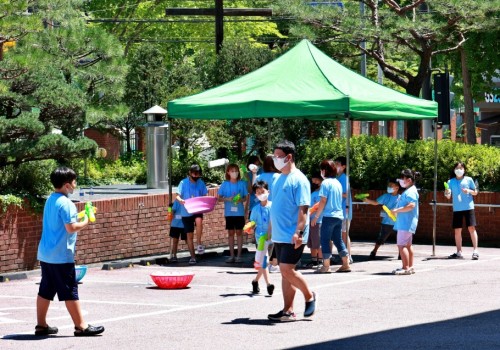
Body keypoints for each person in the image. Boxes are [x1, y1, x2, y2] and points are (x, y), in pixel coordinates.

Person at [36, 167, 104, 337]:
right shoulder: (67, 203)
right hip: (61, 256)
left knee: (46, 290)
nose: (75, 184)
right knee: (70, 291)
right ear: (67, 185)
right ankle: (81, 326)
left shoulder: (51, 200)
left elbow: (60, 222)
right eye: (74, 181)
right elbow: (71, 227)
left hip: (46, 254)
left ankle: (41, 325)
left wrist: (80, 214)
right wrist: (87, 220)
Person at [267, 140, 316, 322]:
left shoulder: (300, 180)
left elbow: (303, 209)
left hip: (292, 234)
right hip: (280, 234)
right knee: (285, 272)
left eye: (278, 156)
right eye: (274, 156)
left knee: (287, 270)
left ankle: (310, 295)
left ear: (289, 157)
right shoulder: (278, 178)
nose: (275, 160)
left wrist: (299, 232)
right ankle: (288, 311)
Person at [311, 160, 350, 273]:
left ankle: (326, 266)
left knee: (324, 240)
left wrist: (316, 216)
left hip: (328, 216)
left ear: (324, 171)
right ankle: (346, 263)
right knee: (338, 240)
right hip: (339, 215)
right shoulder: (337, 182)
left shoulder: (325, 183)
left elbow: (323, 201)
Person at [445, 162, 479, 260]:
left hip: (469, 207)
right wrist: (447, 193)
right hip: (457, 208)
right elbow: (448, 196)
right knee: (457, 230)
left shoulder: (469, 180)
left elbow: (475, 192)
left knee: (471, 228)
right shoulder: (450, 182)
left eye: (461, 168)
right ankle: (459, 251)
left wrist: (468, 191)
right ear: (454, 170)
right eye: (457, 168)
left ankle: (475, 251)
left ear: (464, 170)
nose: (459, 170)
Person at [176, 164, 208, 264]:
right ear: (190, 173)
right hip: (186, 210)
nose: (196, 176)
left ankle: (199, 242)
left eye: (198, 174)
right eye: (194, 174)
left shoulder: (201, 182)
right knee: (189, 235)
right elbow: (177, 195)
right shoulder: (183, 182)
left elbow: (205, 194)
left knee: (199, 220)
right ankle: (193, 256)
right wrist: (180, 200)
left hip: (197, 209)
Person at [390, 169, 421, 275]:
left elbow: (411, 205)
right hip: (407, 222)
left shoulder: (411, 191)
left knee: (401, 245)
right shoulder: (410, 190)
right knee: (408, 245)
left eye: (402, 179)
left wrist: (397, 210)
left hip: (406, 222)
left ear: (409, 180)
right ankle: (410, 266)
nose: (400, 181)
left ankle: (405, 267)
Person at [362, 179, 401, 259]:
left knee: (400, 239)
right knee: (381, 238)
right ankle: (374, 251)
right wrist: (367, 200)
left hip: (398, 222)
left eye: (391, 186)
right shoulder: (386, 196)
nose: (389, 187)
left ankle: (401, 254)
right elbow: (376, 202)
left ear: (397, 187)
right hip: (387, 221)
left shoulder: (401, 198)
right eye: (388, 185)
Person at [218, 164, 248, 263]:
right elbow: (219, 198)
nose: (234, 173)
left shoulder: (242, 184)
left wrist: (241, 200)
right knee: (230, 233)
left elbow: (245, 197)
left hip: (239, 213)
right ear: (228, 172)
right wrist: (227, 198)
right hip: (229, 213)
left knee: (239, 233)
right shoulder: (224, 184)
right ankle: (231, 255)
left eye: (236, 171)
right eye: (232, 171)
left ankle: (239, 255)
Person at [248, 180, 274, 295]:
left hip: (273, 237)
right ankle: (269, 284)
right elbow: (252, 222)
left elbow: (274, 221)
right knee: (265, 261)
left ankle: (255, 281)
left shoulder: (273, 206)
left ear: (268, 191)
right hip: (261, 238)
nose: (261, 194)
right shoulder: (255, 209)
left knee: (266, 262)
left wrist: (270, 232)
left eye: (262, 191)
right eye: (258, 192)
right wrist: (249, 227)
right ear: (255, 195)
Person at [256, 154, 281, 272]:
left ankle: (263, 262)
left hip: (260, 208)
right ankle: (273, 262)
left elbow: (253, 189)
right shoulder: (278, 176)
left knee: (261, 237)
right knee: (275, 237)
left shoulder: (259, 176)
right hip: (274, 208)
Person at [334, 156, 353, 262]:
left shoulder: (344, 178)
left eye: (337, 164)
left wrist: (334, 193)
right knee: (342, 234)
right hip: (340, 211)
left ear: (343, 166)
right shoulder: (338, 178)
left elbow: (346, 194)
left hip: (344, 211)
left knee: (344, 234)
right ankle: (345, 255)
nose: (335, 166)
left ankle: (348, 256)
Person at [306, 172, 324, 268]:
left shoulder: (322, 193)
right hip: (310, 220)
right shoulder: (312, 193)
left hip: (318, 220)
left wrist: (314, 214)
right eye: (313, 180)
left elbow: (319, 205)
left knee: (318, 242)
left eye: (316, 180)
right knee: (312, 242)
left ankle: (321, 261)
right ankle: (314, 260)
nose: (314, 182)